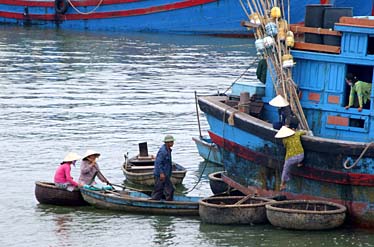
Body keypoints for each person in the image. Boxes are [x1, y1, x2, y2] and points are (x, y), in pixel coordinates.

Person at [275, 126, 306, 191]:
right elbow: (304, 132)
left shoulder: (284, 140)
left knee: (285, 169)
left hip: (291, 158)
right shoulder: (297, 134)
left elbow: (285, 146)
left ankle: (282, 184)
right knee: (298, 158)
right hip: (301, 156)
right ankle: (299, 163)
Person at [151, 135, 175, 201]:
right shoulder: (163, 151)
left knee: (167, 189)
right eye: (171, 142)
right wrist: (161, 173)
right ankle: (156, 202)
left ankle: (167, 201)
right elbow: (158, 163)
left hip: (165, 174)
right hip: (161, 174)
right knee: (159, 189)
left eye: (172, 142)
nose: (173, 143)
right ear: (167, 143)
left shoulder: (168, 150)